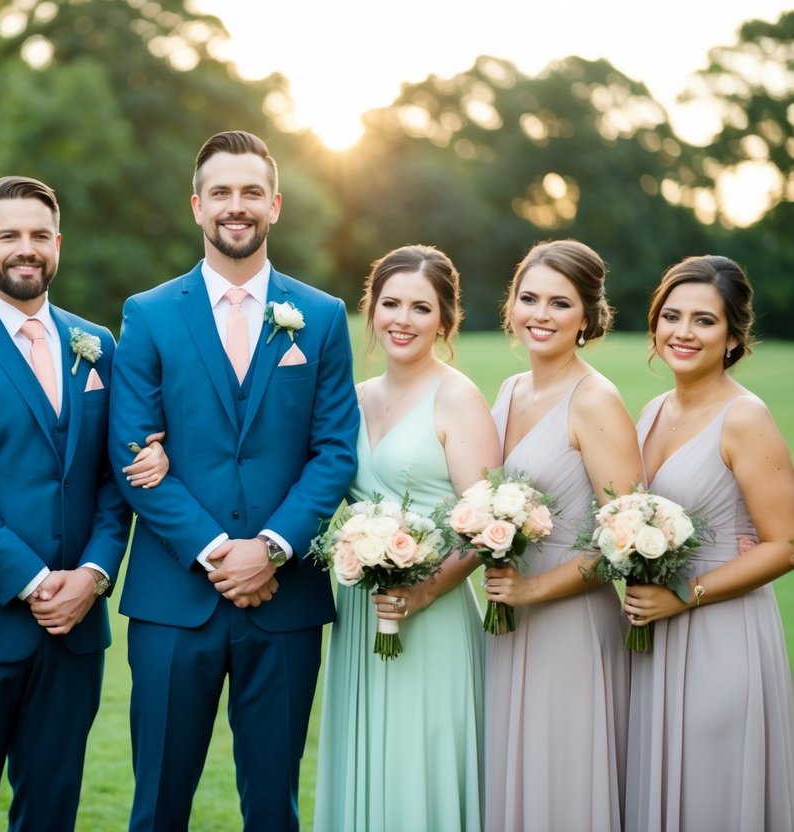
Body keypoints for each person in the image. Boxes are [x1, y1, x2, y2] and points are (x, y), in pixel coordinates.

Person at [0, 175, 165, 831]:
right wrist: (36, 581)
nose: (26, 248)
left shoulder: (96, 344)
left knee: (53, 808)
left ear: (58, 244)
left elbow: (116, 476)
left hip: (77, 628)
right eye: (9, 234)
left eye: (39, 235)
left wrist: (93, 575)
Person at [108, 130, 360, 832]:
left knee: (273, 806)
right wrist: (220, 551)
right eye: (220, 192)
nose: (235, 205)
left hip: (285, 601)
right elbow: (133, 453)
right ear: (197, 206)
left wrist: (271, 547)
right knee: (157, 805)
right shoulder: (149, 314)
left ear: (274, 205)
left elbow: (334, 452)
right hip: (173, 599)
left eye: (251, 192)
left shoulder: (321, 317)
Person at [312, 245, 497, 831]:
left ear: (445, 319)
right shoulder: (353, 398)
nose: (402, 319)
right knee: (366, 763)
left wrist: (425, 589)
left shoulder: (458, 398)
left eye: (421, 307)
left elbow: (486, 524)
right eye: (390, 303)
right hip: (361, 613)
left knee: (420, 767)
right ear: (370, 309)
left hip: (432, 614)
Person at [623, 255, 794, 830]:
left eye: (704, 320)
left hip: (720, 632)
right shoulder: (652, 411)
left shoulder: (744, 418)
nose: (683, 332)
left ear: (733, 337)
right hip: (653, 636)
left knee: (710, 796)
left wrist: (684, 594)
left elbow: (786, 544)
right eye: (672, 316)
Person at [483, 240, 640, 832]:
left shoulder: (595, 401)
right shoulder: (509, 390)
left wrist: (533, 590)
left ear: (587, 317)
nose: (540, 315)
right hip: (509, 621)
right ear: (511, 305)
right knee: (516, 778)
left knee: (565, 783)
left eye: (560, 303)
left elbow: (625, 540)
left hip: (571, 625)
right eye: (529, 299)